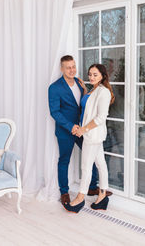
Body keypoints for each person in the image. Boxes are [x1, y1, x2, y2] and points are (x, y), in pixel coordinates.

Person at [48, 56, 112, 205]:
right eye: (68, 67)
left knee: (93, 156)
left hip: (84, 129)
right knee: (64, 160)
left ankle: (92, 188)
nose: (72, 70)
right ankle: (64, 191)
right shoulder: (54, 87)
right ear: (62, 69)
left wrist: (84, 89)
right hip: (67, 130)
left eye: (73, 66)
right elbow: (55, 112)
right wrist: (71, 126)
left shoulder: (79, 82)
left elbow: (85, 104)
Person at [64, 64, 115, 213]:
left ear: (102, 76)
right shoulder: (94, 90)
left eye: (95, 75)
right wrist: (86, 91)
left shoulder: (103, 92)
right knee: (101, 164)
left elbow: (100, 118)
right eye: (90, 74)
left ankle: (80, 198)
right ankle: (103, 196)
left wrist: (83, 130)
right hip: (91, 135)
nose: (91, 77)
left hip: (92, 135)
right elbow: (88, 109)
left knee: (86, 167)